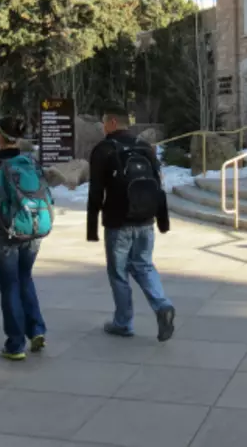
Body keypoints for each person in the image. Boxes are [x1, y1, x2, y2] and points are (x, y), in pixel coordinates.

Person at [87, 104, 175, 341]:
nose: (103, 127)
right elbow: (159, 185)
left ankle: (123, 322)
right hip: (146, 219)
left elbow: (96, 192)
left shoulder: (103, 149)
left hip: (118, 222)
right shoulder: (145, 147)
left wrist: (92, 228)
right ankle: (162, 305)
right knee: (144, 265)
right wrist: (162, 221)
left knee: (118, 273)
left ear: (113, 122)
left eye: (105, 122)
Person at [0, 116, 48, 360]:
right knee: (25, 277)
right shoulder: (28, 161)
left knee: (9, 284)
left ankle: (15, 344)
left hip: (4, 230)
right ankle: (36, 329)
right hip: (32, 227)